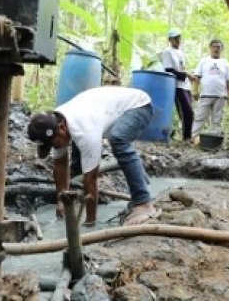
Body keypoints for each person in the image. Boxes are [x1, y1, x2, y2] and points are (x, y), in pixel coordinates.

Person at [27, 86, 158, 226]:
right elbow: (60, 164)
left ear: (62, 128)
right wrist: (61, 200)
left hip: (138, 105)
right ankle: (142, 184)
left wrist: (90, 222)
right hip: (108, 109)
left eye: (54, 143)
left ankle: (144, 203)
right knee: (84, 146)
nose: (55, 147)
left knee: (118, 140)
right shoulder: (57, 123)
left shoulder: (85, 131)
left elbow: (91, 178)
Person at [192, 39, 229, 139]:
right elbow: (196, 76)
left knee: (217, 119)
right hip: (206, 94)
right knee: (200, 117)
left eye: (218, 47)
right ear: (210, 48)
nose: (216, 49)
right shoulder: (204, 61)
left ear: (221, 49)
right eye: (214, 47)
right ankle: (193, 138)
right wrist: (195, 90)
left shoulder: (225, 63)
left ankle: (213, 140)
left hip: (220, 96)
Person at [160, 29, 195, 142]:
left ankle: (187, 136)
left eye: (179, 38)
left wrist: (189, 74)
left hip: (185, 85)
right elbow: (168, 69)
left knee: (187, 112)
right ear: (170, 40)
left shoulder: (180, 52)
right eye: (175, 38)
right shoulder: (167, 52)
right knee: (187, 111)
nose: (178, 40)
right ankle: (187, 137)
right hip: (176, 85)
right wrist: (186, 74)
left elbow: (181, 67)